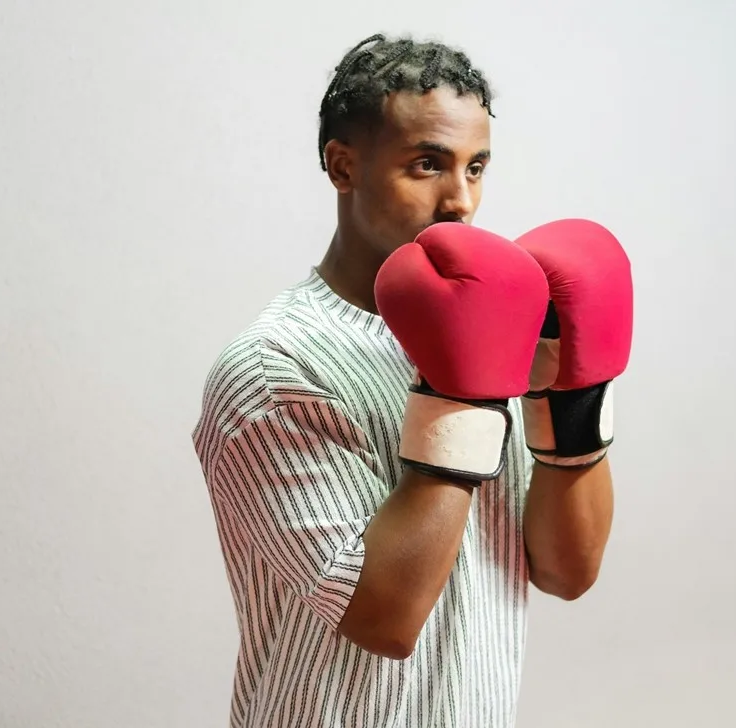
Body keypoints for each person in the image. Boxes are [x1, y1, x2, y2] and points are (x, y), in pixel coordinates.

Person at [191, 32, 631, 728]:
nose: (461, 200)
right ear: (342, 166)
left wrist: (569, 398)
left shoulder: (495, 328)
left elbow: (565, 572)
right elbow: (384, 620)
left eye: (476, 167)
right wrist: (462, 396)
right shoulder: (273, 368)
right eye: (427, 164)